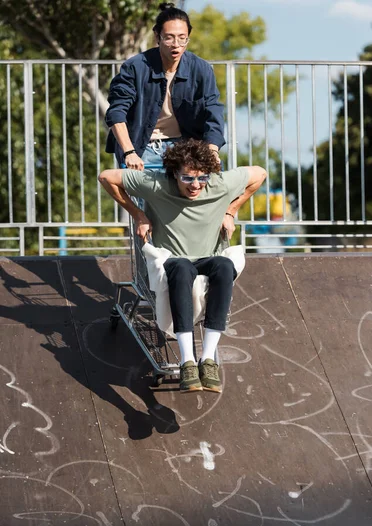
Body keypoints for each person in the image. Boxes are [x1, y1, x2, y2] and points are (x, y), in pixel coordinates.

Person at [99, 139, 267, 394]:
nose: (196, 185)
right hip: (173, 260)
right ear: (174, 174)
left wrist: (231, 210)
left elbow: (260, 174)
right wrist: (138, 214)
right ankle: (188, 361)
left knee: (223, 265)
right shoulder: (156, 184)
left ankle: (207, 359)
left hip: (207, 258)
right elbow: (106, 177)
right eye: (187, 179)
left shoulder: (219, 184)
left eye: (202, 178)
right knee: (182, 268)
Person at [105, 2, 225, 171]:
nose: (176, 44)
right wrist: (129, 152)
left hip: (185, 149)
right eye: (169, 37)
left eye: (182, 38)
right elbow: (116, 112)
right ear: (157, 36)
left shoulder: (201, 69)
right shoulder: (135, 67)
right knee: (141, 196)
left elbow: (213, 111)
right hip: (142, 147)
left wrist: (212, 150)